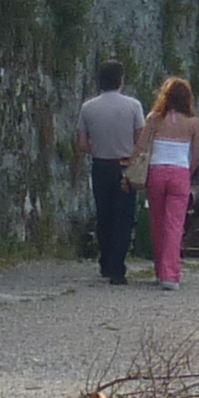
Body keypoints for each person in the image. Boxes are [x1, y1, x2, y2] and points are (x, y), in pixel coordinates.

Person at [79, 58, 146, 285]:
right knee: (123, 218)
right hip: (124, 165)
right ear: (121, 80)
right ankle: (117, 267)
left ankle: (105, 262)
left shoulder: (88, 107)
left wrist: (97, 147)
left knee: (104, 215)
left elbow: (82, 144)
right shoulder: (133, 106)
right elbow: (141, 139)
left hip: (100, 164)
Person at [141, 76, 199, 290]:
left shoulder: (153, 118)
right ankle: (171, 274)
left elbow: (140, 147)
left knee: (157, 222)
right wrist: (187, 173)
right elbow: (195, 156)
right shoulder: (192, 122)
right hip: (179, 173)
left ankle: (160, 270)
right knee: (174, 225)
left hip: (156, 172)